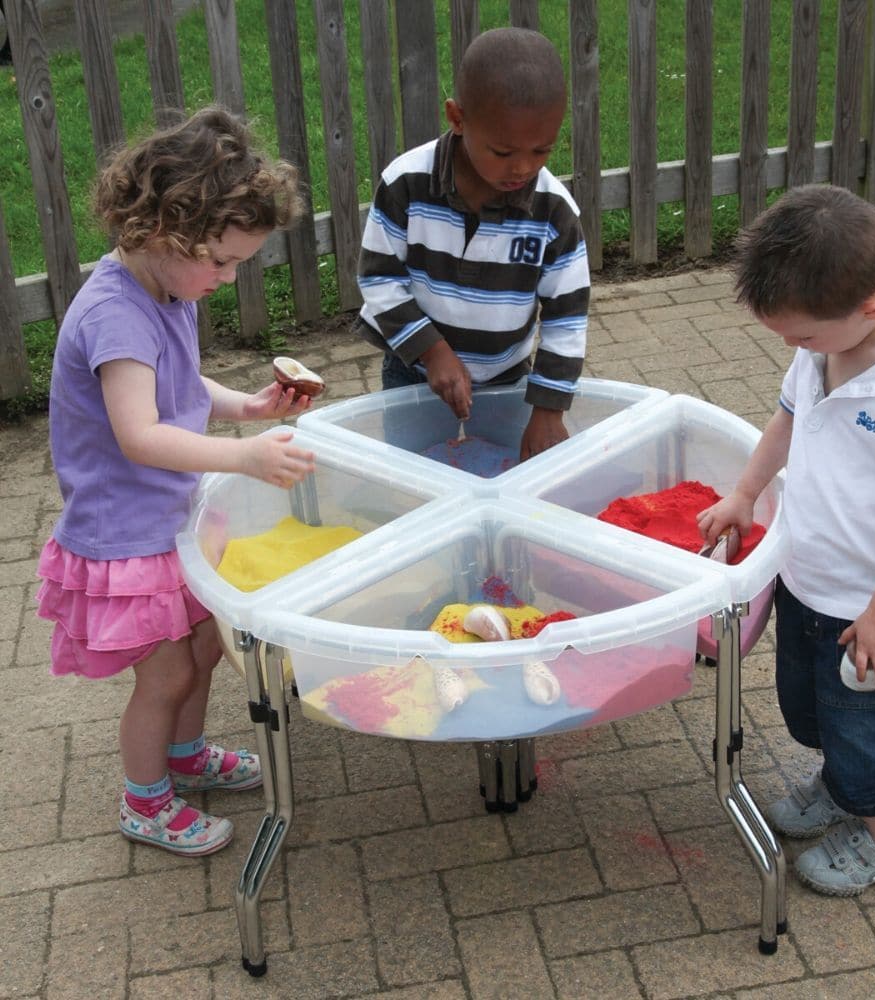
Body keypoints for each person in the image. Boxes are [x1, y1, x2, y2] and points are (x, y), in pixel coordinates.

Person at [36, 107, 317, 857]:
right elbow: (141, 433)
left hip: (166, 522)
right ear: (163, 230)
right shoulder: (115, 317)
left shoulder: (167, 289)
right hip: (124, 538)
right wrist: (246, 456)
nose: (227, 279)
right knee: (163, 676)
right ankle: (145, 800)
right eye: (221, 262)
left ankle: (186, 760)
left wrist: (245, 407)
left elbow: (180, 386)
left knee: (197, 655)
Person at [697, 184, 875, 896]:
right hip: (809, 582)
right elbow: (787, 420)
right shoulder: (824, 350)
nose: (793, 348)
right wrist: (745, 491)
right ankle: (839, 786)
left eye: (801, 335)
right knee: (816, 709)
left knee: (872, 735)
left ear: (870, 308)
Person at [355, 26, 589, 461]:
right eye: (502, 152)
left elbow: (567, 316)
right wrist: (433, 351)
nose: (522, 167)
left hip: (506, 377)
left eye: (541, 151)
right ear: (457, 118)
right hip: (414, 371)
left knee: (504, 473)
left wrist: (548, 408)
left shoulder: (554, 213)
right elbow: (379, 278)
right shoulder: (405, 184)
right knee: (414, 473)